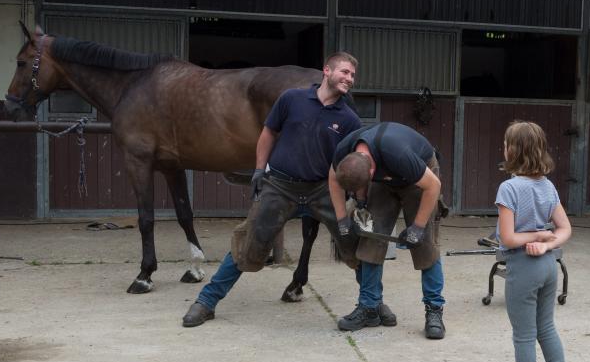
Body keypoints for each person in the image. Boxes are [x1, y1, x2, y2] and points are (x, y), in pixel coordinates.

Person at [181, 52, 362, 327]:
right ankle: (206, 302)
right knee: (247, 243)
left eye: (352, 75)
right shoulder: (292, 99)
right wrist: (258, 169)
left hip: (322, 190)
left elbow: (349, 159)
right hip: (280, 186)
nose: (349, 79)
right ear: (327, 70)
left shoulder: (349, 119)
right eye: (345, 72)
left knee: (356, 246)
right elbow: (268, 133)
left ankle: (373, 303)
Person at [328, 122, 447, 339]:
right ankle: (369, 307)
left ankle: (434, 310)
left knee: (424, 245)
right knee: (371, 239)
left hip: (420, 178)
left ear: (372, 171)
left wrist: (417, 228)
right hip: (384, 179)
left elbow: (433, 186)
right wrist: (342, 219)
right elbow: (333, 180)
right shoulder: (344, 151)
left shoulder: (398, 153)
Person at [493, 121, 572, 362]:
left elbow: (509, 238)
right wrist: (548, 244)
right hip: (549, 268)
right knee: (547, 328)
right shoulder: (547, 186)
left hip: (523, 268)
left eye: (505, 143)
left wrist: (537, 238)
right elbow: (565, 229)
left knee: (524, 335)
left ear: (512, 150)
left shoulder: (509, 188)